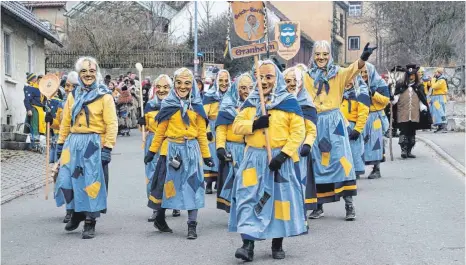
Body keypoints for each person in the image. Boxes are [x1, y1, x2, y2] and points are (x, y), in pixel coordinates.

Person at [229, 60, 306, 261]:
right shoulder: (251, 102)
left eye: (268, 77)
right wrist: (254, 124)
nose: (263, 81)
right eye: (260, 77)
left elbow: (299, 132)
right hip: (253, 159)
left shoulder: (289, 101)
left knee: (280, 200)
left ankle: (277, 243)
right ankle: (247, 245)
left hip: (280, 160)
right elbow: (236, 127)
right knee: (248, 198)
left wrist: (283, 155)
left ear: (277, 78)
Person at [304, 41, 376, 221]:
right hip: (315, 122)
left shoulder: (339, 74)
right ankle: (317, 206)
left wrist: (364, 56)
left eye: (325, 54)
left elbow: (354, 69)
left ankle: (349, 205)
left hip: (335, 123)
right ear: (313, 55)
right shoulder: (307, 76)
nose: (321, 58)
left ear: (330, 55)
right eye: (318, 54)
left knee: (342, 159)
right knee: (316, 162)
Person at [144, 67, 214, 240]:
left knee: (193, 187)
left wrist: (207, 156)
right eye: (179, 83)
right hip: (171, 151)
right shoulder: (168, 104)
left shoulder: (197, 106)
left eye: (187, 83)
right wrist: (152, 151)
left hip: (191, 151)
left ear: (192, 86)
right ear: (174, 84)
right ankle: (160, 218)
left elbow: (201, 134)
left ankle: (192, 225)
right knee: (168, 187)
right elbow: (160, 132)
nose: (183, 86)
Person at [54, 56, 117, 239]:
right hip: (73, 142)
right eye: (83, 71)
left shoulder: (104, 96)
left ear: (96, 73)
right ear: (79, 74)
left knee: (91, 182)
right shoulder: (73, 95)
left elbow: (112, 123)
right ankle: (76, 212)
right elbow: (66, 121)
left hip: (93, 144)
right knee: (66, 180)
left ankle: (90, 221)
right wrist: (60, 143)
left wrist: (107, 147)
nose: (88, 74)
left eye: (91, 71)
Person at [138, 74, 180, 221]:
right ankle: (155, 208)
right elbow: (144, 129)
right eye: (159, 87)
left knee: (171, 174)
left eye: (166, 87)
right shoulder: (149, 105)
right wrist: (141, 122)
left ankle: (174, 203)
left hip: (169, 143)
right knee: (152, 175)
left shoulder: (176, 105)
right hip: (152, 144)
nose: (162, 90)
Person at [215, 73, 253, 212]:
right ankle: (234, 210)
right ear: (236, 89)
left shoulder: (255, 105)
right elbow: (221, 129)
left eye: (250, 87)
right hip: (231, 150)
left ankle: (245, 209)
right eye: (242, 87)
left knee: (248, 181)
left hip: (249, 149)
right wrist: (220, 147)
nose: (246, 91)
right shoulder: (227, 105)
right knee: (232, 180)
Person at [283, 65, 318, 212]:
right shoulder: (278, 102)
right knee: (283, 183)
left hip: (300, 150)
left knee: (298, 181)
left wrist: (308, 145)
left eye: (295, 80)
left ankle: (300, 215)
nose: (292, 84)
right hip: (282, 149)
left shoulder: (306, 104)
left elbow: (311, 130)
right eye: (288, 80)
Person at [202, 69, 232, 194]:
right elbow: (203, 115)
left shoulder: (231, 95)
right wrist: (207, 130)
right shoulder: (210, 95)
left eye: (226, 80)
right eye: (221, 80)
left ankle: (220, 182)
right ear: (216, 81)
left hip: (225, 127)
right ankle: (209, 184)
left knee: (223, 155)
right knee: (212, 154)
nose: (224, 83)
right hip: (213, 126)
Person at [360, 62, 390, 179]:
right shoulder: (359, 84)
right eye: (361, 72)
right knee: (361, 142)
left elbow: (386, 100)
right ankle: (359, 168)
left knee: (375, 143)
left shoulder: (380, 83)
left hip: (376, 116)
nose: (363, 75)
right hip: (362, 116)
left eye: (365, 72)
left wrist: (373, 93)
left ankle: (376, 169)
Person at [393, 65, 430, 158]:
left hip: (414, 114)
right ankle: (403, 150)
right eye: (409, 75)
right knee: (403, 132)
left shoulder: (419, 86)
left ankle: (409, 150)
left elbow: (422, 100)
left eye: (413, 75)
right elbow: (395, 99)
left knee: (412, 133)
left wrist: (423, 108)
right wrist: (392, 99)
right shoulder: (401, 86)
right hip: (403, 113)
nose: (411, 77)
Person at [340, 76, 370, 179]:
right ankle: (343, 175)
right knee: (341, 153)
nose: (347, 83)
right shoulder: (339, 93)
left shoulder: (360, 93)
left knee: (354, 152)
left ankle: (354, 177)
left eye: (350, 80)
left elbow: (363, 114)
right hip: (340, 127)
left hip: (353, 127)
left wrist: (357, 129)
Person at [23, 72, 46, 138]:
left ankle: (33, 141)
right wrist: (29, 109)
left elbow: (43, 100)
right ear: (33, 80)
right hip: (34, 109)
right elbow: (27, 99)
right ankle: (33, 143)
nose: (36, 80)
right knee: (34, 127)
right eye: (36, 79)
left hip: (40, 110)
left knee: (35, 126)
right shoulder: (30, 88)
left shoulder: (40, 89)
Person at [429, 68, 448, 133]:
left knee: (440, 112)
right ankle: (439, 126)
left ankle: (443, 126)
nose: (435, 74)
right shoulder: (438, 79)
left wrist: (433, 79)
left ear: (439, 73)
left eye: (436, 72)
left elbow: (434, 86)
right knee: (436, 113)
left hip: (440, 97)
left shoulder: (441, 80)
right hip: (436, 97)